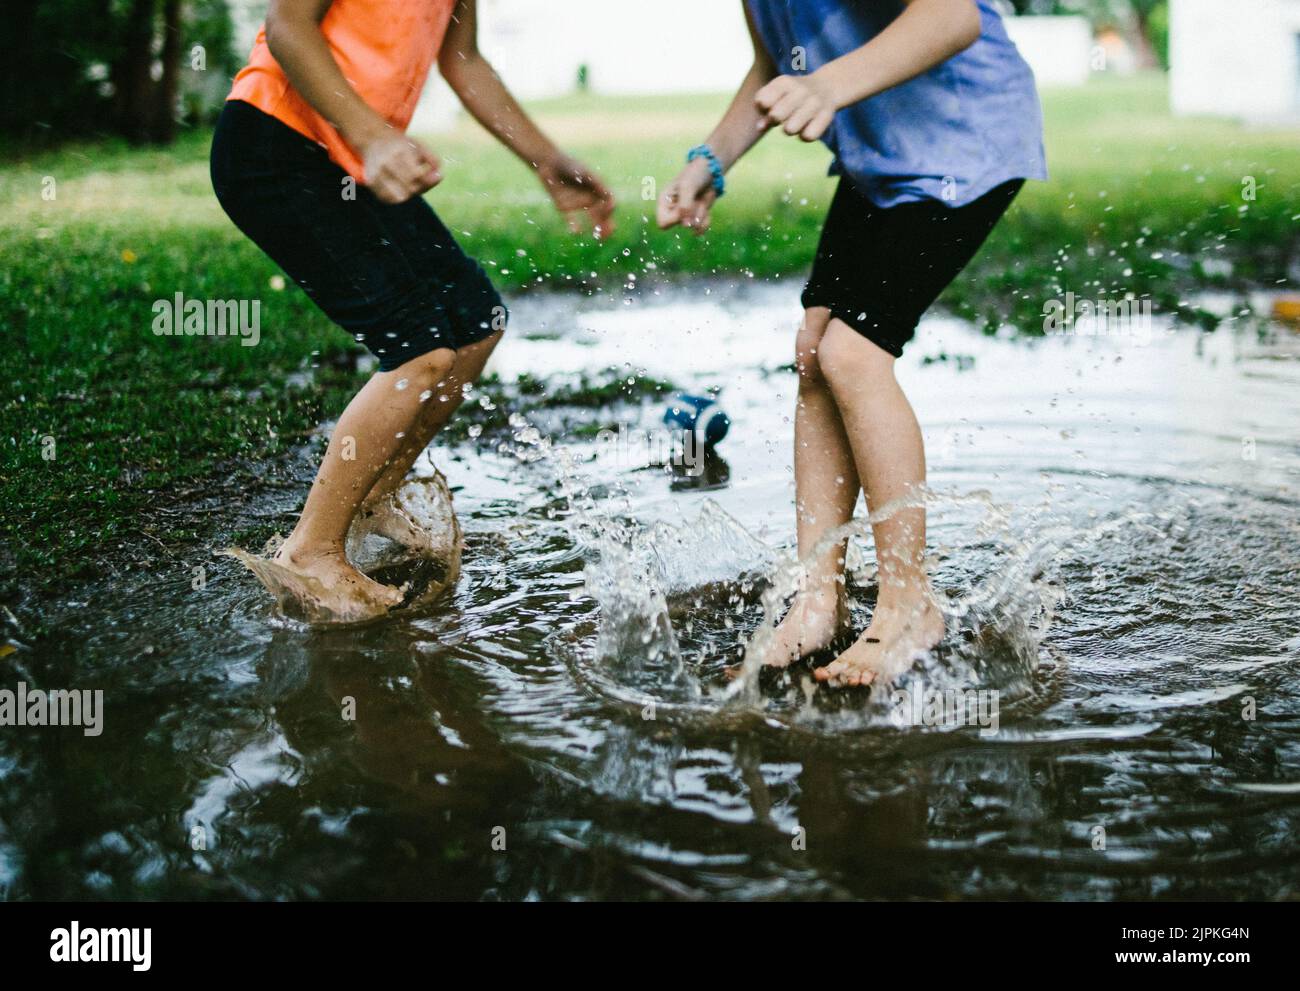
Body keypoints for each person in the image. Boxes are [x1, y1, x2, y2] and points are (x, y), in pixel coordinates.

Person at [656, 0, 1046, 686]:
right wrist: (712, 161)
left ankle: (908, 606)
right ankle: (816, 602)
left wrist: (828, 87)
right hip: (881, 159)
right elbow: (779, 63)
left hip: (963, 141)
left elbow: (952, 16)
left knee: (852, 354)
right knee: (814, 354)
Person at [211, 0, 615, 623]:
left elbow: (463, 58)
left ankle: (374, 498)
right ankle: (311, 550)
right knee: (420, 350)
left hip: (353, 156)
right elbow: (289, 25)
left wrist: (546, 160)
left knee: (476, 323)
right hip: (277, 142)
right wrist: (373, 136)